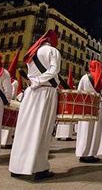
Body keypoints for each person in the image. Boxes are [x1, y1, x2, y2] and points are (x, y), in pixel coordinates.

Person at [9, 30, 61, 181]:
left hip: (31, 93)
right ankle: (40, 169)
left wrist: (34, 82)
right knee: (43, 129)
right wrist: (39, 81)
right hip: (45, 92)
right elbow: (54, 70)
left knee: (25, 128)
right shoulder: (52, 51)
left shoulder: (33, 53)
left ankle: (17, 167)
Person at [75, 61, 102, 163]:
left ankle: (82, 153)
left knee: (84, 130)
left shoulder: (84, 78)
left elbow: (79, 91)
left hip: (86, 106)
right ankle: (90, 154)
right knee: (94, 130)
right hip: (98, 106)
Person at [55, 66, 75, 142]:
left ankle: (59, 135)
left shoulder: (62, 90)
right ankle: (67, 136)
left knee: (61, 120)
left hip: (62, 106)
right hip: (69, 106)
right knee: (68, 121)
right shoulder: (70, 90)